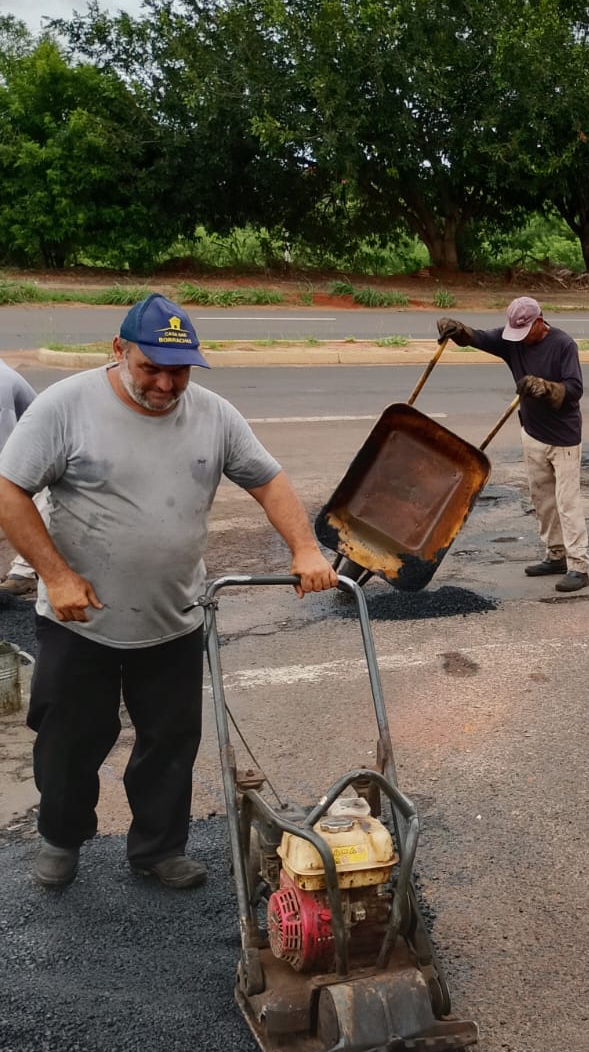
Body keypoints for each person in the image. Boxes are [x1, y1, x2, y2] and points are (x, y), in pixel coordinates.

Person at [0, 293, 337, 892]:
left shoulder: (213, 414)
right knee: (70, 741)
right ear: (119, 350)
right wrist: (54, 574)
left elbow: (269, 480)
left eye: (177, 370)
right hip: (81, 621)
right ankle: (60, 838)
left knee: (170, 742)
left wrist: (305, 549)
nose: (164, 383)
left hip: (174, 616)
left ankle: (158, 849)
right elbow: (9, 490)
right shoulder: (65, 407)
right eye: (149, 367)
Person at [436, 296, 589, 593]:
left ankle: (579, 566)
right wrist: (458, 330)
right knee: (542, 499)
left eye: (526, 331)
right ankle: (556, 555)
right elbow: (478, 338)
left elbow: (575, 388)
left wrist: (545, 387)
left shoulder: (563, 344)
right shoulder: (513, 340)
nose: (520, 338)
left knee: (567, 503)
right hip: (532, 433)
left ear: (540, 322)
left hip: (564, 438)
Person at [0, 362, 39, 598]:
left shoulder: (1, 386)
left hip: (44, 460)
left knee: (43, 506)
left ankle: (26, 571)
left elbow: (6, 470)